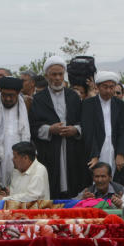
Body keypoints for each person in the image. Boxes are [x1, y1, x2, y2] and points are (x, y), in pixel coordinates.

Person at [31, 56, 86, 198]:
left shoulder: (73, 96)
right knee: (51, 184)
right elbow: (34, 126)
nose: (57, 78)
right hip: (49, 149)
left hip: (71, 148)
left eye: (60, 74)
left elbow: (83, 121)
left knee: (73, 185)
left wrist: (75, 130)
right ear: (46, 76)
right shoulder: (39, 99)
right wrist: (50, 129)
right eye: (53, 74)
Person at [81, 71, 124, 185]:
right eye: (105, 87)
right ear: (97, 87)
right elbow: (88, 132)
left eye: (111, 87)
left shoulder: (121, 105)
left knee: (114, 180)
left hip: (114, 149)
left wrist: (121, 153)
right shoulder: (88, 105)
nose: (108, 90)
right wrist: (94, 154)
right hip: (96, 149)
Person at [0, 76, 31, 191]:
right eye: (4, 95)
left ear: (18, 93)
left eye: (11, 96)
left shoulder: (27, 105)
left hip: (21, 159)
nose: (7, 99)